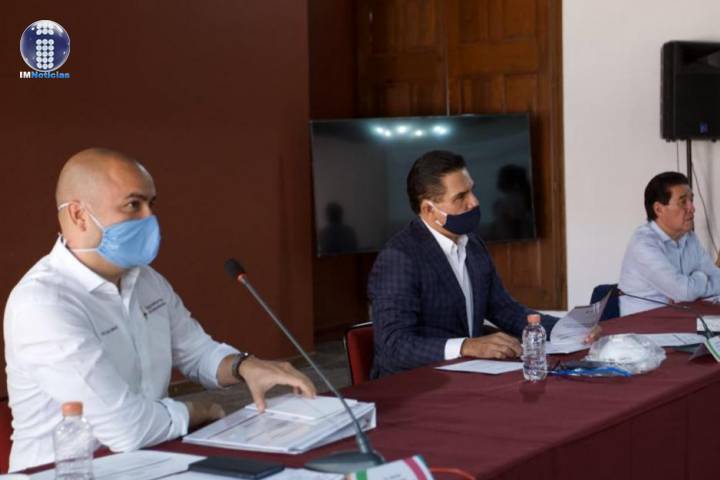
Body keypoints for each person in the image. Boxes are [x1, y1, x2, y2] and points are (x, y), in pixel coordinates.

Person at [3, 148, 316, 471]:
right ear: (79, 215)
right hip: (67, 473)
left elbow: (196, 352)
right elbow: (126, 428)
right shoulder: (42, 304)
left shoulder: (146, 280)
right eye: (133, 205)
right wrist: (197, 411)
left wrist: (244, 366)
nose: (149, 218)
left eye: (151, 204)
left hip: (151, 459)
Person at [368, 150, 598, 379]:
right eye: (461, 197)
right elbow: (393, 346)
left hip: (464, 376)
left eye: (472, 190)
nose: (474, 202)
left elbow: (505, 309)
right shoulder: (399, 257)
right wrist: (466, 346)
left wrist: (569, 329)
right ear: (429, 210)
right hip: (413, 385)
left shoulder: (473, 244)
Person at [618, 171, 720, 315]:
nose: (692, 208)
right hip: (646, 323)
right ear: (658, 209)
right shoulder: (643, 245)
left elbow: (717, 279)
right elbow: (683, 292)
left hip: (684, 317)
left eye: (691, 200)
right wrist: (701, 277)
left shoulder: (690, 237)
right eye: (683, 202)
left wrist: (689, 287)